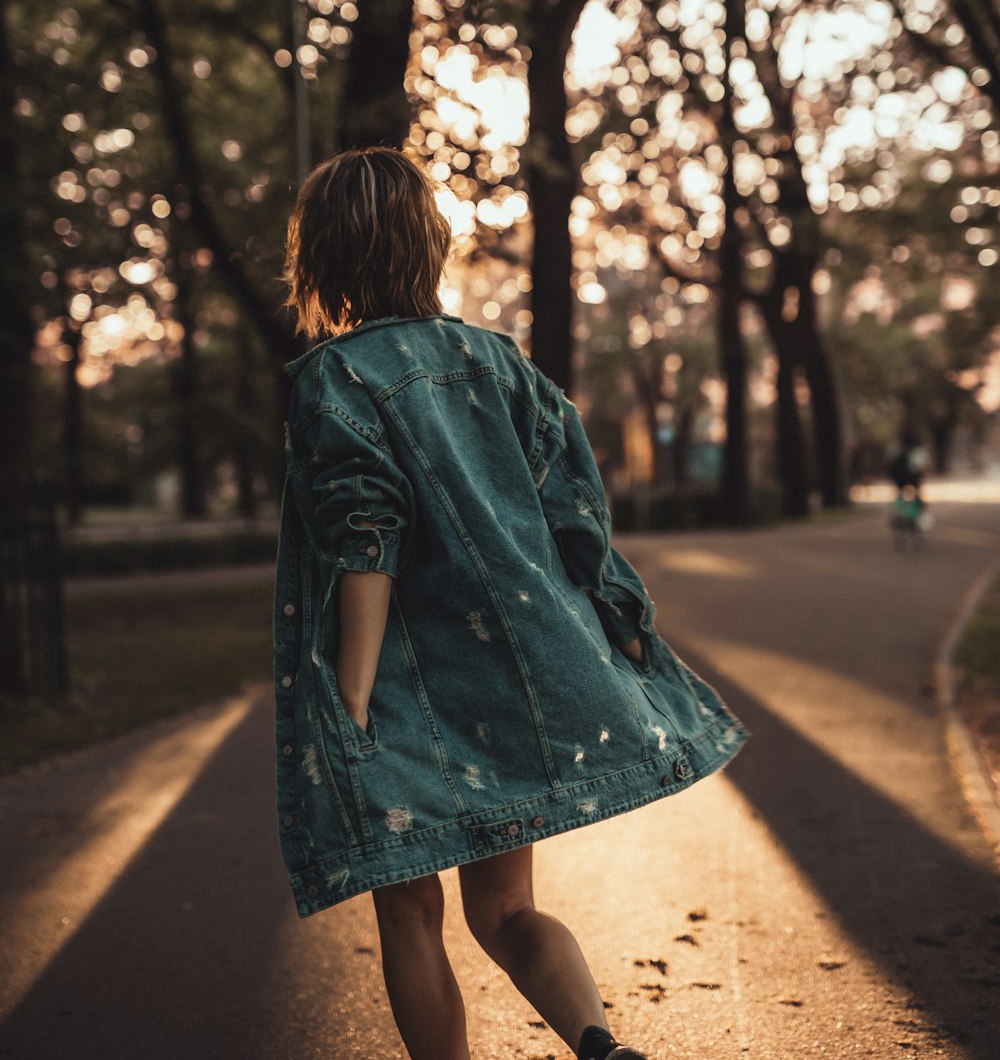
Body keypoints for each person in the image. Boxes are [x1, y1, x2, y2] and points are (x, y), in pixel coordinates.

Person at [275, 147, 748, 1060]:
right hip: (511, 682)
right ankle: (598, 1044)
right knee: (509, 910)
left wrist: (354, 702)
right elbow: (579, 519)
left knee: (412, 914)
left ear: (322, 253)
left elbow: (368, 538)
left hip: (407, 696)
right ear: (428, 244)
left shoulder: (333, 379)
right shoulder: (499, 362)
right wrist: (623, 630)